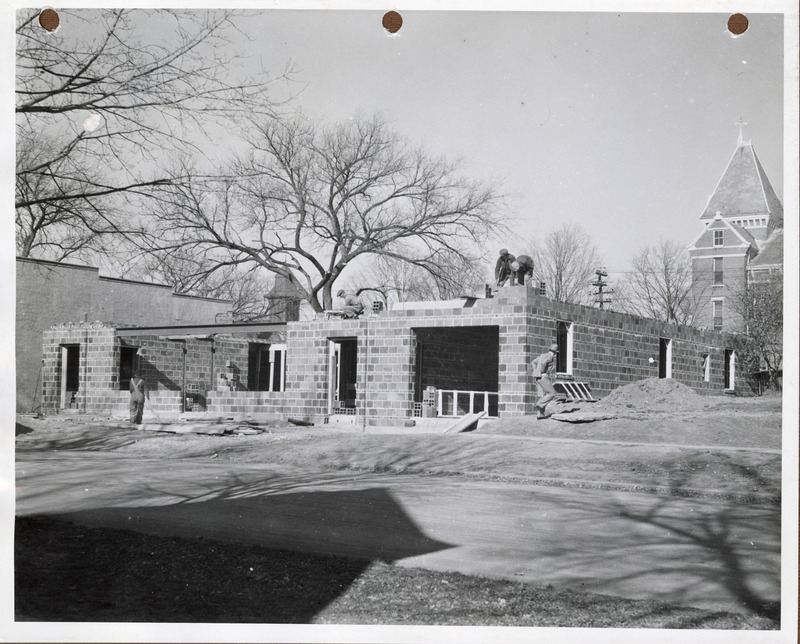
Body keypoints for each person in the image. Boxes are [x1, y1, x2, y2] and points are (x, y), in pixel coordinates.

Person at [531, 343, 559, 419]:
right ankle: (539, 404)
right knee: (552, 393)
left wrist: (536, 370)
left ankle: (540, 414)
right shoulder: (550, 356)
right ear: (555, 352)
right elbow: (544, 363)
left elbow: (533, 362)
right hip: (543, 376)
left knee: (542, 395)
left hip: (537, 377)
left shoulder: (542, 355)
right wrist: (542, 372)